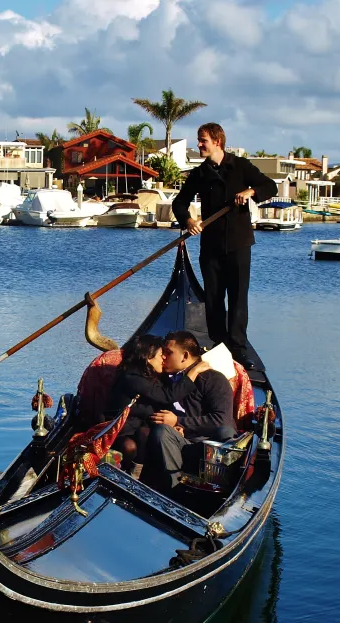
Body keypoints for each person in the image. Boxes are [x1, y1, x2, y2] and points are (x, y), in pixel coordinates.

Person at [172, 123, 277, 369]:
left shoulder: (240, 166)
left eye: (203, 140)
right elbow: (179, 204)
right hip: (211, 247)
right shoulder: (200, 173)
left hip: (239, 245)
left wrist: (250, 191)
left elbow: (269, 186)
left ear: (217, 141)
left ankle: (238, 350)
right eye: (199, 140)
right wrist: (188, 221)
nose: (199, 145)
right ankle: (219, 347)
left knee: (238, 299)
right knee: (213, 300)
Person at [142, 331, 238, 492]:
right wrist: (174, 427)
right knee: (162, 432)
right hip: (179, 443)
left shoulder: (214, 379)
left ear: (184, 356)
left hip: (207, 446)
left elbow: (222, 421)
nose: (163, 357)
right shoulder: (162, 379)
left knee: (226, 431)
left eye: (168, 352)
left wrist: (180, 422)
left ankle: (221, 490)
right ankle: (174, 491)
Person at [106, 335, 211, 478]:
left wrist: (176, 424)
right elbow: (167, 396)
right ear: (148, 357)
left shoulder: (152, 376)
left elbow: (163, 403)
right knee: (131, 446)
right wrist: (194, 372)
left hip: (138, 425)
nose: (164, 359)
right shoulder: (132, 377)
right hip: (120, 427)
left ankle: (139, 474)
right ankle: (130, 475)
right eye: (161, 355)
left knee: (146, 433)